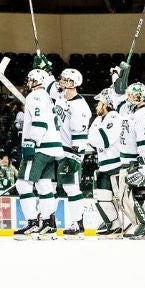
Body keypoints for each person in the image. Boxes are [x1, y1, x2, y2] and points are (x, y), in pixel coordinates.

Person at [12, 67, 63, 239]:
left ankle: (33, 222)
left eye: (30, 80)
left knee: (23, 184)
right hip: (53, 146)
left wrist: (30, 142)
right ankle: (48, 223)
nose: (28, 83)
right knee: (44, 185)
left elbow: (39, 122)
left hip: (40, 146)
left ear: (36, 81)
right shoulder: (48, 97)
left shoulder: (34, 96)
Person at [47, 67, 91, 238]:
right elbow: (49, 83)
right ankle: (48, 219)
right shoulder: (59, 94)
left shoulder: (80, 106)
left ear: (75, 84)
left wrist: (75, 155)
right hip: (55, 148)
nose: (63, 82)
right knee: (49, 186)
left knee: (71, 187)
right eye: (62, 79)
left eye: (67, 80)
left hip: (70, 151)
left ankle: (77, 222)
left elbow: (80, 135)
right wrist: (45, 68)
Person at [118, 82, 145, 239]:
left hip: (137, 162)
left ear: (142, 96)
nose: (131, 97)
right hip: (134, 160)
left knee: (125, 195)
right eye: (130, 94)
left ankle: (143, 225)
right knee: (140, 196)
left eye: (135, 94)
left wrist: (144, 166)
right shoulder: (134, 112)